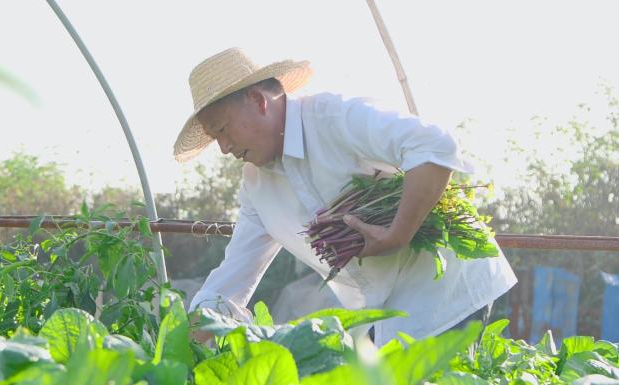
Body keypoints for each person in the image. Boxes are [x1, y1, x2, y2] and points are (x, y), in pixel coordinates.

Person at [173, 47, 517, 346]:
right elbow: (231, 280)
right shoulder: (256, 187)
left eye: (221, 130)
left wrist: (398, 233)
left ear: (258, 101)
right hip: (383, 311)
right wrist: (181, 346)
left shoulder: (335, 118)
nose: (223, 148)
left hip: (444, 289)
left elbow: (433, 146)